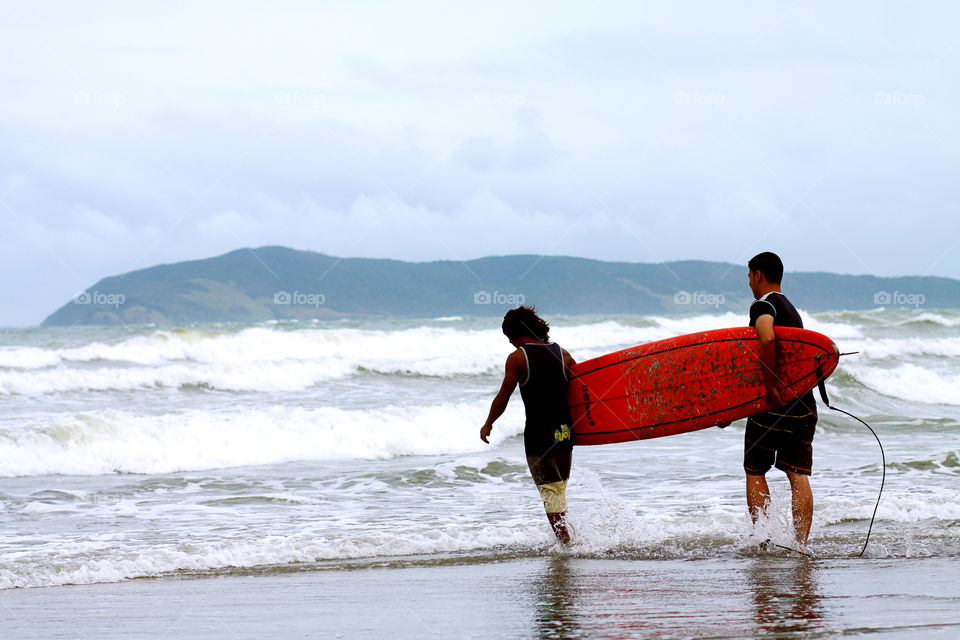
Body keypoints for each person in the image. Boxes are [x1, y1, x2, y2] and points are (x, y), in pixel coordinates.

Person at [722, 252, 818, 549]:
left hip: (773, 404)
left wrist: (770, 388)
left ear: (758, 275)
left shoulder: (763, 305)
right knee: (797, 473)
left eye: (749, 276)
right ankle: (800, 545)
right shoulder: (791, 309)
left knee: (755, 469)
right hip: (803, 403)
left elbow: (765, 339)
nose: (749, 283)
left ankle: (763, 540)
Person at [480, 306, 576, 544]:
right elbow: (582, 389)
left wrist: (488, 424)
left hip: (539, 434)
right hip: (564, 431)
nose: (510, 344)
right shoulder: (562, 353)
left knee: (548, 489)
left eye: (509, 338)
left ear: (514, 334)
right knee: (559, 489)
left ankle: (565, 544)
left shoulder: (518, 357)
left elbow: (503, 397)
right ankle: (567, 540)